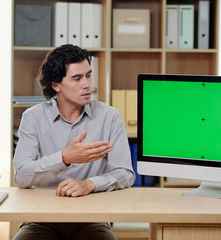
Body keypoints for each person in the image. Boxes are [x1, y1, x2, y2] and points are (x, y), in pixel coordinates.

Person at [12, 44, 135, 240]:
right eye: (77, 78)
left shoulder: (109, 117)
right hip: (41, 219)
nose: (86, 84)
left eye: (88, 75)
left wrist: (90, 184)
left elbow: (125, 173)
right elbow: (22, 176)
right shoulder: (33, 117)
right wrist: (64, 158)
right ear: (56, 85)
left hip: (91, 219)